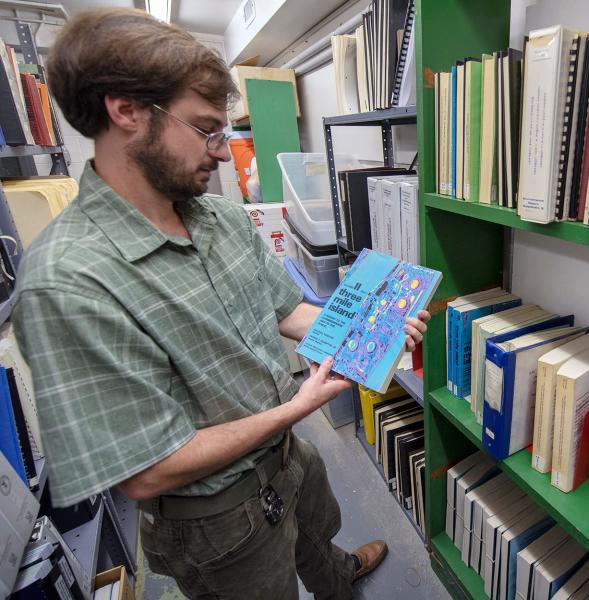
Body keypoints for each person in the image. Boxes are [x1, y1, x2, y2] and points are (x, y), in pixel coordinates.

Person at [11, 8, 429, 599]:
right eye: (207, 129)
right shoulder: (66, 281)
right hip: (216, 525)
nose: (224, 151)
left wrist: (380, 329)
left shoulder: (221, 219)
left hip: (289, 461)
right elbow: (147, 469)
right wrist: (295, 408)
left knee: (318, 539)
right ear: (126, 110)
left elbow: (291, 314)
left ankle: (337, 578)